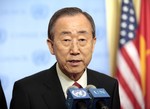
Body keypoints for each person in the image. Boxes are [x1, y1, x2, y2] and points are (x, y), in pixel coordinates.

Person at [10, 7, 120, 109]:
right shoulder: (26, 91)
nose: (75, 50)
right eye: (66, 40)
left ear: (93, 44)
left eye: (82, 40)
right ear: (51, 46)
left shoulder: (109, 86)